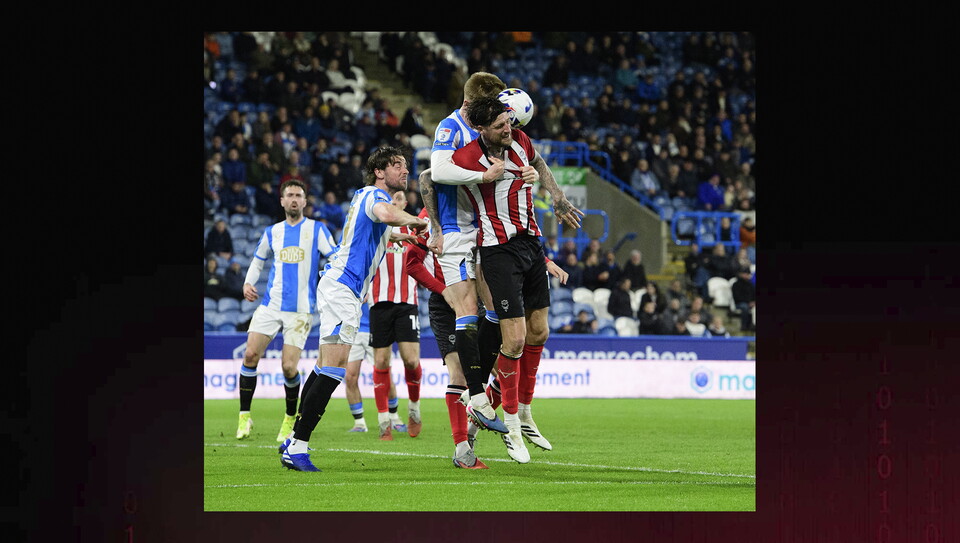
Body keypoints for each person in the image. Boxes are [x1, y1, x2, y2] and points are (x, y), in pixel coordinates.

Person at [418, 75, 583, 461]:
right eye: (499, 110)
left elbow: (536, 163)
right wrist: (440, 225)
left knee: (518, 330)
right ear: (480, 110)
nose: (508, 118)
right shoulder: (452, 131)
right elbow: (431, 175)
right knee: (481, 329)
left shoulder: (515, 138)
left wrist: (553, 195)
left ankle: (508, 410)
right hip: (465, 240)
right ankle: (481, 409)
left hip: (506, 242)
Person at [280, 147, 427, 472]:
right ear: (379, 171)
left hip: (340, 286)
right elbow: (387, 215)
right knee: (335, 368)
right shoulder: (375, 196)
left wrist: (414, 237)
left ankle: (293, 439)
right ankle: (299, 446)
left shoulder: (368, 200)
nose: (406, 171)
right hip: (343, 287)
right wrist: (418, 221)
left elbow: (387, 231)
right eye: (398, 166)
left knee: (323, 367)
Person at [235, 180, 338, 445]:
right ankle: (244, 415)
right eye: (289, 195)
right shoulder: (273, 232)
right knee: (249, 354)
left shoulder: (317, 230)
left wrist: (332, 274)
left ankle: (290, 416)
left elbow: (334, 257)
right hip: (271, 305)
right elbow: (258, 260)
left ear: (305, 202)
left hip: (301, 310)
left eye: (298, 195)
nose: (294, 199)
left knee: (289, 367)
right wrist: (248, 282)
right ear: (281, 201)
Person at [367, 190, 425, 440]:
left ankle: (413, 408)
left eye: (398, 197)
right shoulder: (375, 228)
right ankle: (383, 421)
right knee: (381, 362)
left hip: (406, 302)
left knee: (411, 361)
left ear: (405, 203)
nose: (393, 201)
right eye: (389, 198)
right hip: (379, 302)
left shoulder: (416, 227)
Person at [342, 299, 405, 433]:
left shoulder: (377, 278)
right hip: (353, 329)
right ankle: (359, 423)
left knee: (385, 374)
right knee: (350, 377)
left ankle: (394, 417)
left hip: (377, 327)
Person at [731, 267, 756, 332]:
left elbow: (754, 295)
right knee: (745, 307)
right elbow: (737, 297)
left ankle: (753, 325)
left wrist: (753, 302)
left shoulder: (750, 285)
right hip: (739, 303)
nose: (747, 275)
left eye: (748, 274)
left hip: (750, 303)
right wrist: (748, 302)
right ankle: (744, 326)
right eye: (745, 274)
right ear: (741, 274)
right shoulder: (736, 284)